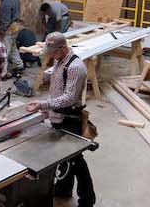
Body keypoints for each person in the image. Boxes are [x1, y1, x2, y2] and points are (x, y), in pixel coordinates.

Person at [26, 32, 95, 206]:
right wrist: (46, 77)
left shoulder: (76, 67)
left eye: (53, 52)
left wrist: (43, 104)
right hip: (58, 115)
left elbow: (70, 97)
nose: (51, 56)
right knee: (62, 157)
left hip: (70, 117)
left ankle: (88, 199)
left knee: (76, 160)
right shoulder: (60, 60)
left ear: (64, 47)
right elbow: (55, 74)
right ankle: (64, 188)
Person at [0, 0, 24, 80]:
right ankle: (19, 66)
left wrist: (1, 33)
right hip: (15, 27)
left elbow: (5, 19)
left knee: (4, 51)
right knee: (13, 48)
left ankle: (3, 74)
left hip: (8, 29)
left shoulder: (6, 3)